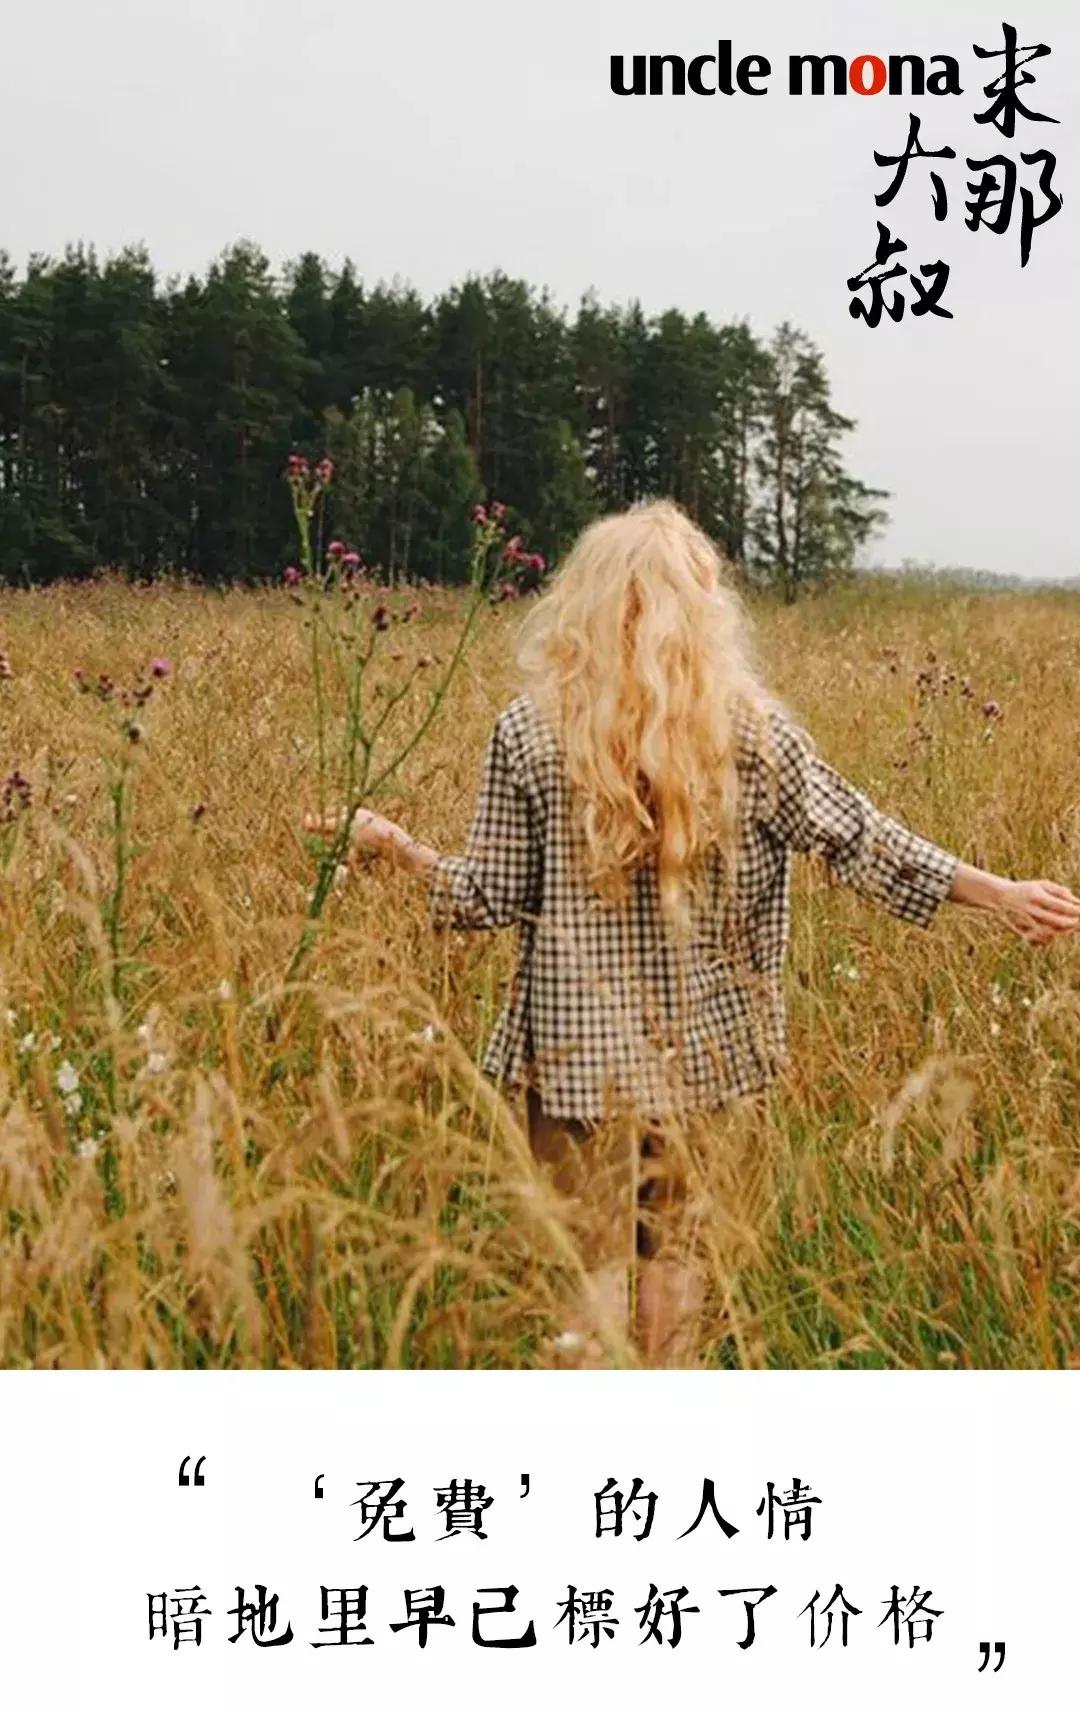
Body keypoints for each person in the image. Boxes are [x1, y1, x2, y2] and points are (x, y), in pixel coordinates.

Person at [307, 501, 1080, 1367]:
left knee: (589, 1277)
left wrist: (395, 849)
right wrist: (998, 892)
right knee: (675, 1265)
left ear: (582, 603)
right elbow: (863, 841)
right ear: (704, 608)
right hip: (711, 1057)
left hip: (572, 1062)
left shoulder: (529, 731)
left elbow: (484, 898)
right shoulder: (751, 733)